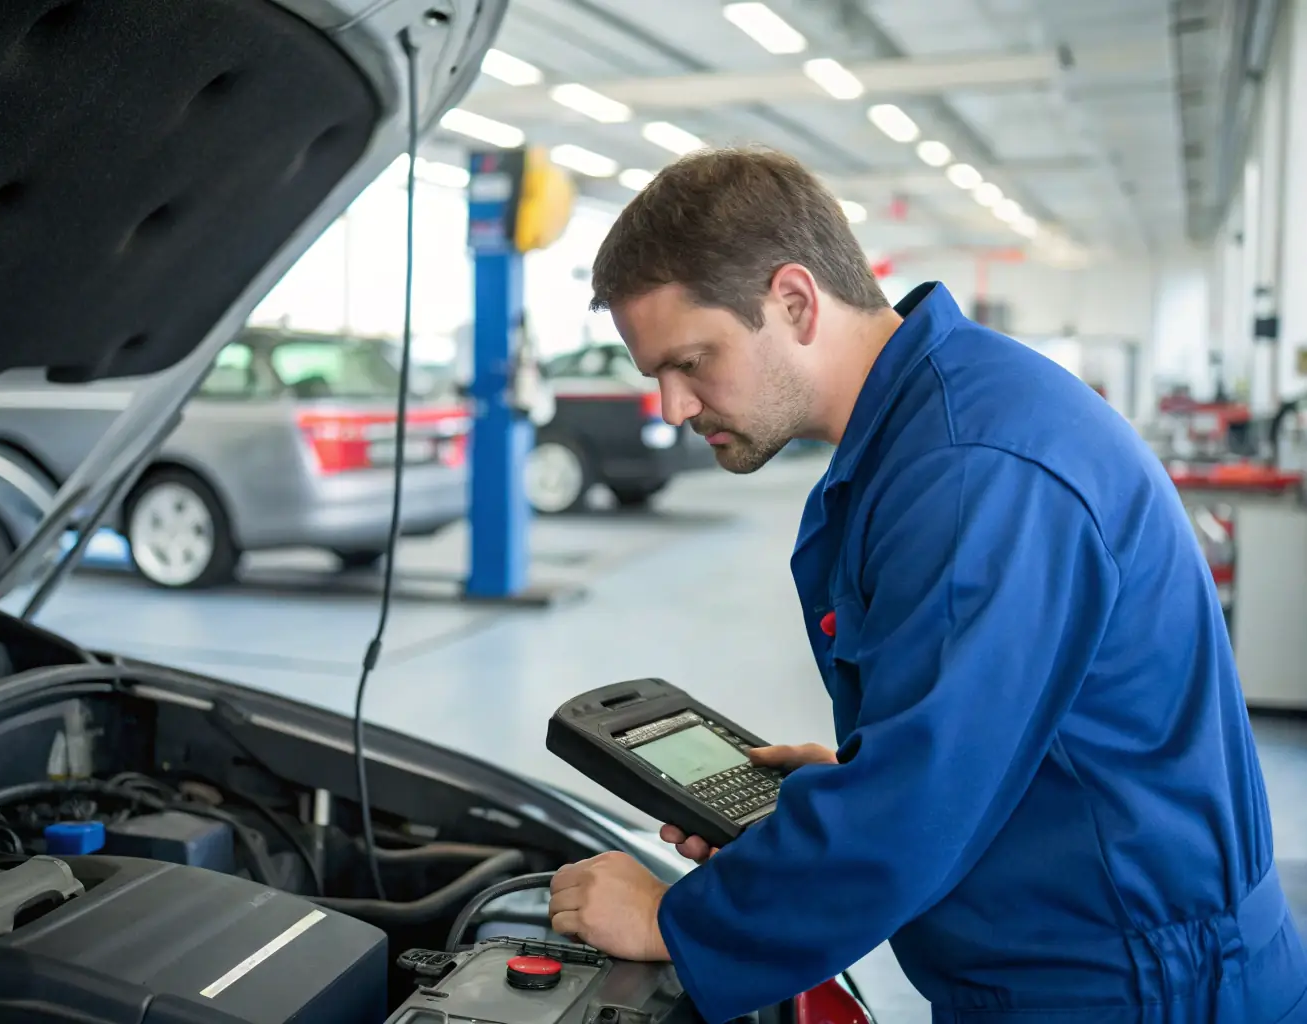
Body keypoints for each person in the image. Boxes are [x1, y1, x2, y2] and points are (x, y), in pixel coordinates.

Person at [545, 147, 1307, 1023]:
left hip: (1133, 986)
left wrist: (679, 924)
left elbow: (917, 806)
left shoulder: (971, 469)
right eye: (655, 378)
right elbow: (987, 730)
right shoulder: (928, 426)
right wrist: (858, 771)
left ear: (793, 302)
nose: (673, 406)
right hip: (1080, 952)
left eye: (692, 361)